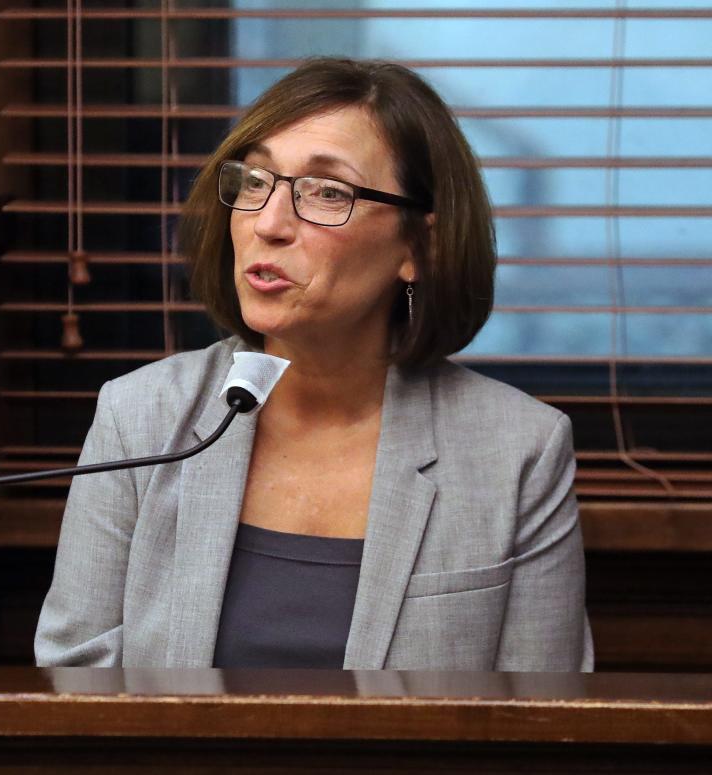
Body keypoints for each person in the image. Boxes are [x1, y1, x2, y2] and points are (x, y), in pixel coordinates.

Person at [35, 58, 594, 671]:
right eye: (255, 181)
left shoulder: (518, 450)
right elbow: (77, 680)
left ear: (418, 246)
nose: (268, 224)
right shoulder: (140, 416)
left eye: (328, 192)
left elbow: (542, 717)